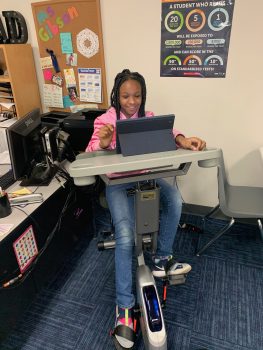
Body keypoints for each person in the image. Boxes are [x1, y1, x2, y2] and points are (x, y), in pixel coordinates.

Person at [86, 69, 206, 349]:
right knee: (126, 236)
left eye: (137, 95)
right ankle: (125, 309)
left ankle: (161, 259)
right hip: (117, 184)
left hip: (146, 177)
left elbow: (170, 132)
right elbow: (91, 149)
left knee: (175, 201)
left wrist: (183, 140)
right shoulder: (105, 120)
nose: (132, 101)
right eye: (126, 96)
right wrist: (103, 142)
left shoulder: (147, 118)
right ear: (117, 95)